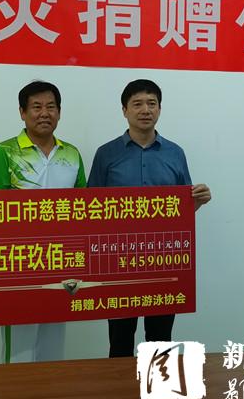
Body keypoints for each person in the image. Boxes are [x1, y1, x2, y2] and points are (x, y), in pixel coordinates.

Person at [87, 79, 211, 358]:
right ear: (124, 110)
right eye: (137, 104)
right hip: (118, 262)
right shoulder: (106, 154)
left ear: (160, 109)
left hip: (163, 259)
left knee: (160, 339)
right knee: (120, 340)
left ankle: (158, 385)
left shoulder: (175, 153)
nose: (145, 110)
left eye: (152, 103)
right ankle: (120, 386)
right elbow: (91, 209)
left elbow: (181, 211)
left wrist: (198, 200)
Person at [0, 81, 87, 363]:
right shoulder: (4, 152)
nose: (44, 113)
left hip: (62, 263)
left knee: (53, 345)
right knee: (19, 348)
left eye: (51, 107)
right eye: (36, 107)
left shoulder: (72, 154)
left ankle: (51, 392)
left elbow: (84, 210)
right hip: (18, 263)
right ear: (22, 112)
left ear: (59, 112)